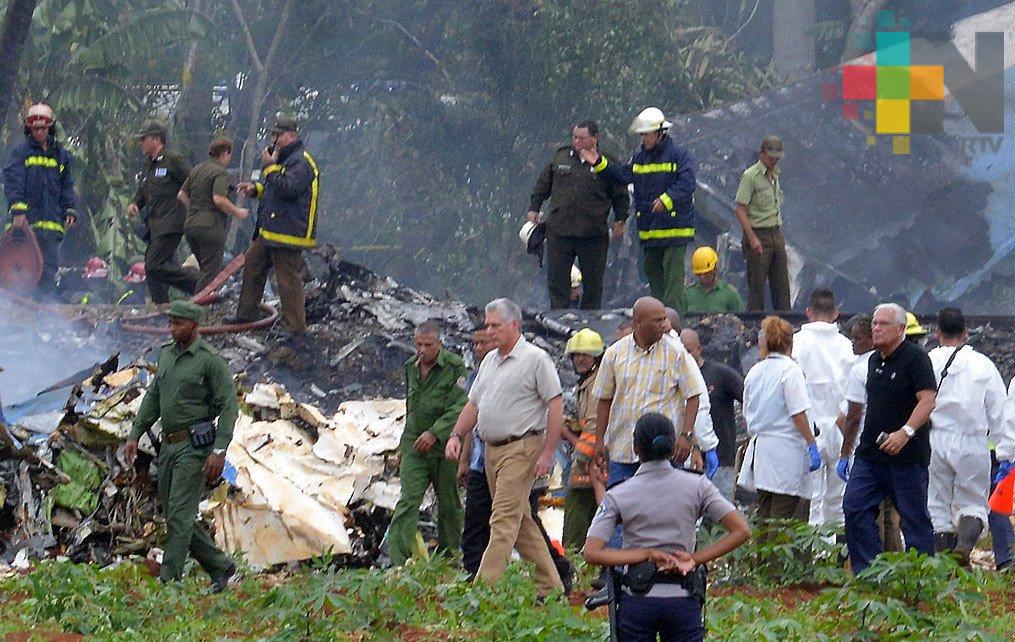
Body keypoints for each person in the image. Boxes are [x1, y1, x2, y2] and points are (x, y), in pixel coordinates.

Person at [584, 412, 751, 642]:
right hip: (683, 600)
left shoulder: (620, 493)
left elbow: (592, 552)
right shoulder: (698, 485)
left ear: (636, 448)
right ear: (673, 447)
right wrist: (696, 558)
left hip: (637, 601)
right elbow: (742, 530)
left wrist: (645, 553)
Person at [444, 298, 564, 596]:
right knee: (520, 522)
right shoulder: (489, 361)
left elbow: (556, 404)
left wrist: (548, 453)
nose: (490, 331)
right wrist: (456, 435)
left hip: (522, 448)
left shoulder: (535, 359)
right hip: (491, 452)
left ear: (514, 325)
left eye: (495, 325)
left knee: (502, 521)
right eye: (487, 325)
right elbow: (473, 404)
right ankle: (551, 587)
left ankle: (482, 592)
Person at [124, 301, 237, 590]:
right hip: (169, 446)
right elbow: (153, 397)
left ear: (194, 326)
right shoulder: (166, 356)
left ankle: (170, 582)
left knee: (178, 515)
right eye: (170, 323)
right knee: (178, 515)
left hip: (195, 448)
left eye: (178, 324)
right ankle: (221, 566)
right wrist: (135, 433)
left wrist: (218, 451)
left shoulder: (209, 361)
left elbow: (229, 407)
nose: (172, 329)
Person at [840, 303, 936, 574]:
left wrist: (905, 433)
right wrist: (848, 452)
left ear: (901, 329)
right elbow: (857, 411)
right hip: (871, 455)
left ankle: (922, 578)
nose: (877, 329)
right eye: (874, 324)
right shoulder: (872, 360)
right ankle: (869, 572)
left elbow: (927, 401)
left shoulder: (916, 359)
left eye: (883, 324)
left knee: (913, 518)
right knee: (855, 507)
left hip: (906, 457)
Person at [580, 107, 697, 314]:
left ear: (660, 134)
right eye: (641, 135)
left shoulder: (679, 155)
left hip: (674, 232)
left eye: (647, 134)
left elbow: (687, 184)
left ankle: (676, 328)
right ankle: (660, 323)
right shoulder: (640, 158)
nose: (643, 139)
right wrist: (599, 163)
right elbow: (622, 175)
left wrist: (666, 199)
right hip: (650, 233)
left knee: (673, 287)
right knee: (654, 282)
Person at [594, 297, 705, 495]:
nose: (664, 325)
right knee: (622, 514)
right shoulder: (614, 354)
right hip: (623, 451)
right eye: (657, 321)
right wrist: (599, 439)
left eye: (664, 319)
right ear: (638, 323)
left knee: (663, 511)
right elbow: (604, 399)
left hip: (662, 455)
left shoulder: (676, 353)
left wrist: (686, 436)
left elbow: (693, 395)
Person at [926, 307, 1006, 564]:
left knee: (937, 503)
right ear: (966, 332)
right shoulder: (983, 365)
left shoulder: (928, 360)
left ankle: (946, 561)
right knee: (973, 502)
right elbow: (999, 411)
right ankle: (964, 547)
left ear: (937, 331)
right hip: (973, 441)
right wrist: (1002, 448)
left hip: (934, 438)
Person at [232, 116, 320, 339]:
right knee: (252, 264)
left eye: (278, 135)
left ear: (292, 135)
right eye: (273, 135)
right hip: (271, 231)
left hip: (289, 233)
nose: (274, 140)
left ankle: (295, 328)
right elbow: (274, 191)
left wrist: (270, 167)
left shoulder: (302, 161)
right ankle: (246, 314)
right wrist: (255, 189)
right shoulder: (284, 159)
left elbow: (289, 188)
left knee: (287, 281)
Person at [388, 322, 467, 566]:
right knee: (408, 500)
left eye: (428, 345)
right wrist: (404, 446)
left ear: (439, 344)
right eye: (418, 344)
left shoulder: (454, 366)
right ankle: (398, 560)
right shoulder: (410, 368)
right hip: (414, 444)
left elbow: (460, 406)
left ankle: (449, 557)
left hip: (443, 446)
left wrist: (435, 432)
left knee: (448, 503)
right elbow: (411, 408)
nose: (422, 350)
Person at [528, 120, 629, 310]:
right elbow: (543, 185)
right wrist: (534, 207)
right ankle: (560, 317)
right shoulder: (560, 158)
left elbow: (620, 194)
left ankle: (590, 322)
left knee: (593, 283)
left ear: (595, 138)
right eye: (574, 137)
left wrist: (620, 219)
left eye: (582, 138)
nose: (577, 142)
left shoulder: (607, 163)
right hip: (559, 230)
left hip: (592, 233)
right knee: (557, 280)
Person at [738, 316, 821, 522]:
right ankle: (777, 557)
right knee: (784, 521)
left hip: (762, 453)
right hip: (786, 454)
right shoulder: (790, 370)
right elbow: (798, 412)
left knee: (764, 516)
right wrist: (812, 444)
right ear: (790, 342)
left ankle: (761, 556)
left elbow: (748, 412)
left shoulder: (755, 371)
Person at [839, 314, 903, 552]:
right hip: (894, 444)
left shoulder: (860, 368)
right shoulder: (898, 362)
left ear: (871, 338)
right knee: (891, 513)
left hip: (867, 449)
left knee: (865, 508)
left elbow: (848, 417)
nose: (853, 343)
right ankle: (895, 562)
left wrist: (845, 452)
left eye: (857, 338)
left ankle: (870, 564)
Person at [792, 289, 854, 527]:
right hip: (841, 427)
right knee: (838, 499)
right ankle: (836, 553)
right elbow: (855, 390)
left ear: (808, 312)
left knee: (812, 497)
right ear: (836, 314)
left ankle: (815, 554)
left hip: (809, 430)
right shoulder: (846, 346)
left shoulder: (796, 344)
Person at [2, 103, 76, 295]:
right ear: (29, 127)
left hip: (52, 227)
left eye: (43, 128)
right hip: (28, 226)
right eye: (35, 128)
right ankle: (23, 313)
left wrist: (69, 208)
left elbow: (67, 186)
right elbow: (13, 182)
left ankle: (44, 316)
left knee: (48, 272)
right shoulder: (21, 153)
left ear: (50, 126)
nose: (39, 132)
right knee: (24, 272)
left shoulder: (61, 155)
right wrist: (18, 211)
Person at [127, 120, 197, 304]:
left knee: (152, 266)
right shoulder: (149, 165)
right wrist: (135, 204)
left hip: (171, 223)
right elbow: (144, 190)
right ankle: (161, 310)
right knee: (155, 273)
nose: (140, 143)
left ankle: (199, 285)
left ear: (156, 139)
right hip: (154, 225)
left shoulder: (172, 160)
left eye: (143, 139)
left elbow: (193, 180)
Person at [178, 138, 249, 291]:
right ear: (224, 153)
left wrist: (196, 210)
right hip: (210, 228)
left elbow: (181, 194)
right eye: (230, 154)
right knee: (211, 274)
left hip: (191, 226)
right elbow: (219, 199)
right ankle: (200, 310)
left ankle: (196, 304)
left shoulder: (198, 169)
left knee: (205, 270)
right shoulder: (220, 172)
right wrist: (238, 212)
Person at [682, 328, 744, 502]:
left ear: (699, 349)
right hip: (689, 458)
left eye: (689, 351)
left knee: (720, 509)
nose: (686, 356)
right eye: (682, 351)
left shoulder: (720, 374)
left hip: (722, 456)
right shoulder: (678, 376)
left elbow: (748, 398)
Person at [561, 328, 607, 550]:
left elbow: (594, 425)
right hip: (592, 459)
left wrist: (581, 456)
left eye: (584, 355)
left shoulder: (597, 383)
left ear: (595, 357)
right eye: (576, 355)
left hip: (590, 461)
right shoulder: (587, 382)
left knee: (578, 512)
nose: (579, 359)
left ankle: (574, 554)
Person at [734, 135, 789, 311]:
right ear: (762, 154)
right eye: (771, 157)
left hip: (776, 231)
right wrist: (752, 238)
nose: (774, 161)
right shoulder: (751, 176)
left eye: (777, 158)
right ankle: (754, 326)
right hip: (758, 233)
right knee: (757, 286)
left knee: (781, 285)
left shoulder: (775, 174)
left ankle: (785, 324)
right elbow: (740, 209)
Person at [685, 246, 744, 314]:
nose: (702, 277)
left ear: (715, 269)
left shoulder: (730, 295)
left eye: (706, 273)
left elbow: (740, 321)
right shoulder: (688, 294)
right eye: (699, 274)